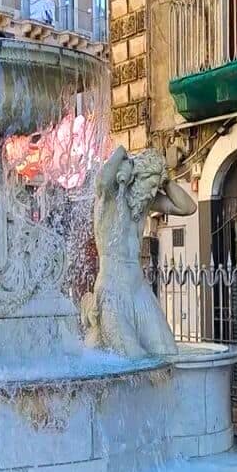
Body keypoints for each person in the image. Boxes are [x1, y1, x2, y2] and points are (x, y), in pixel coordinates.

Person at [82, 146, 196, 359]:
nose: (153, 192)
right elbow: (102, 181)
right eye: (151, 185)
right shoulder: (111, 196)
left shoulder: (144, 200)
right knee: (132, 358)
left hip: (138, 290)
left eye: (156, 187)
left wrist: (165, 181)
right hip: (112, 291)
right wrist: (121, 153)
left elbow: (188, 207)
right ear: (137, 178)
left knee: (167, 352)